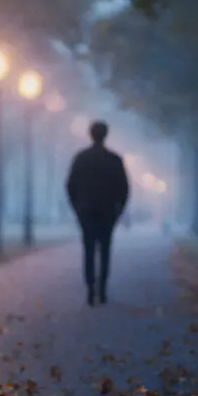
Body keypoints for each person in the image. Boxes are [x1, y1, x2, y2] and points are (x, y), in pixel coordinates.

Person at [65, 120, 130, 306]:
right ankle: (102, 289)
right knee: (105, 251)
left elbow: (70, 185)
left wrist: (76, 208)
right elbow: (124, 189)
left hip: (86, 212)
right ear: (106, 135)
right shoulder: (114, 160)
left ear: (90, 134)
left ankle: (90, 288)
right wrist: (118, 211)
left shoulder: (81, 158)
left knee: (88, 250)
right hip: (107, 212)